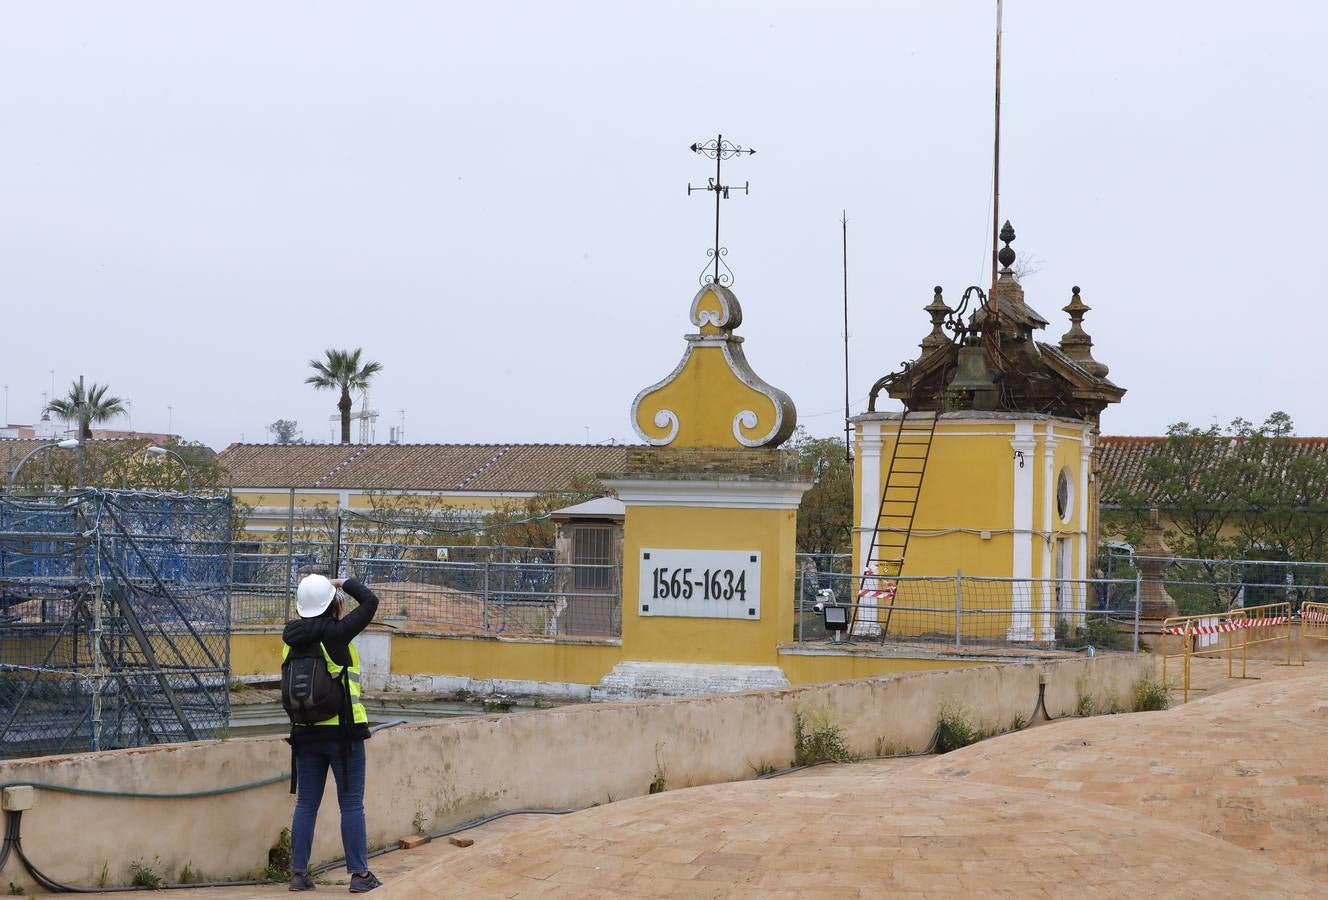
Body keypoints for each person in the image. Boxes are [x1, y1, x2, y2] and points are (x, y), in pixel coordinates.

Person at [282, 574, 382, 893]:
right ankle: (359, 875)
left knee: (306, 804)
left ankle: (299, 874)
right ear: (331, 603)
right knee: (351, 803)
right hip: (343, 736)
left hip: (304, 735)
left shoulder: (290, 643)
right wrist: (343, 582)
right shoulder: (336, 637)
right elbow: (370, 602)